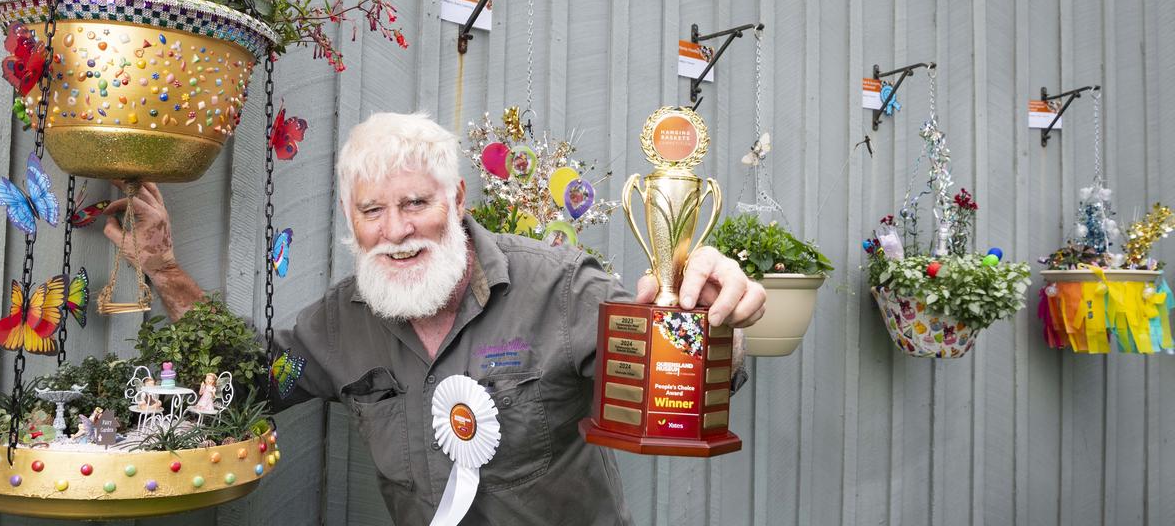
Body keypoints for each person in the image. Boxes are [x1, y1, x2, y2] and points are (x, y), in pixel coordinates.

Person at [103, 112, 765, 525]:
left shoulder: (559, 286)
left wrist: (710, 324)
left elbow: (666, 383)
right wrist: (162, 268)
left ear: (457, 198)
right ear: (351, 221)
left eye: (415, 202)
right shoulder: (340, 324)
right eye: (372, 212)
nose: (396, 230)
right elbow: (248, 379)